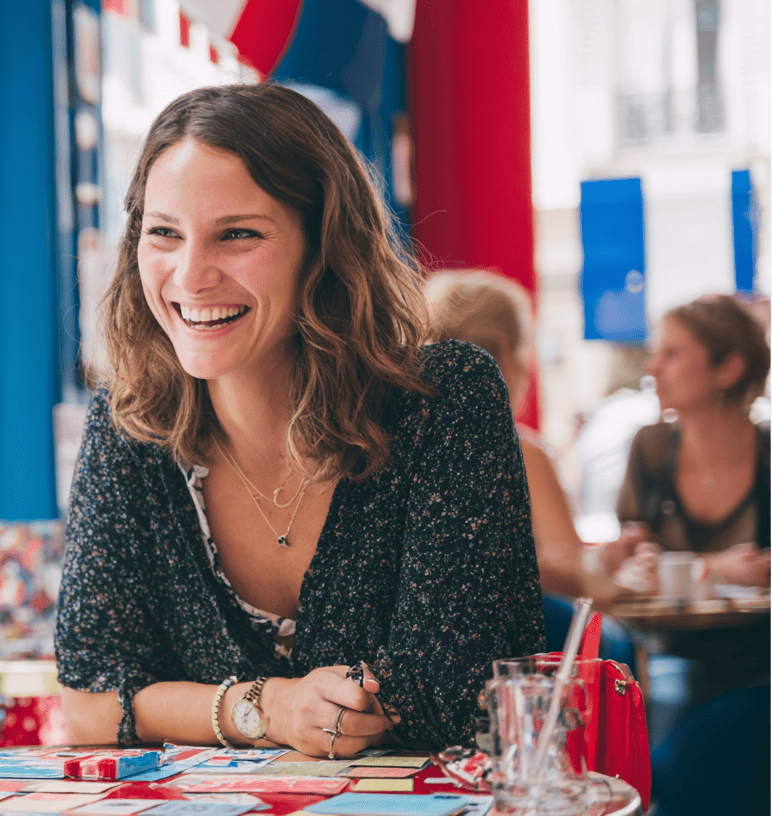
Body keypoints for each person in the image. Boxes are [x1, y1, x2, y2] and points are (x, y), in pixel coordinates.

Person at [55, 84, 544, 757]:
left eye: (238, 235)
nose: (191, 276)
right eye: (163, 233)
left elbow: (453, 696)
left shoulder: (445, 400)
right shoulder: (129, 427)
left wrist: (174, 707)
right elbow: (87, 704)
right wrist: (270, 708)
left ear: (324, 247)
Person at [423, 270, 641, 664]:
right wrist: (601, 572)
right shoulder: (518, 449)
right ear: (506, 352)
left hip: (417, 661)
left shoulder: (394, 443)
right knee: (615, 644)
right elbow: (564, 569)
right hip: (515, 663)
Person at [610, 294, 769, 816]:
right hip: (673, 656)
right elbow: (630, 556)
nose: (652, 367)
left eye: (672, 353)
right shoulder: (651, 449)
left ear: (729, 367)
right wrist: (630, 565)